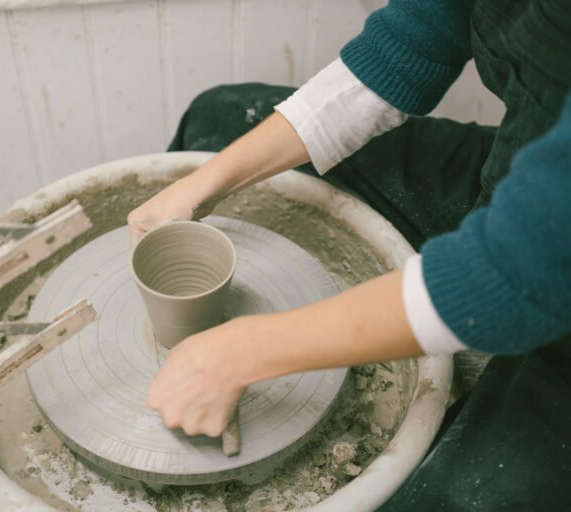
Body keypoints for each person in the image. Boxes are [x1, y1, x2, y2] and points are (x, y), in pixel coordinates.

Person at [128, 0, 571, 509]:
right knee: (217, 120)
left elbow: (510, 275)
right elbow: (411, 43)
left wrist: (237, 352)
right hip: (529, 166)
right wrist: (206, 182)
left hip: (552, 269)